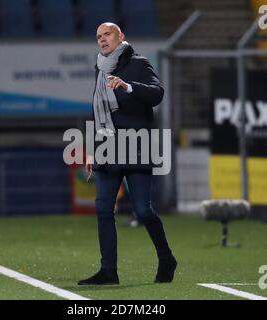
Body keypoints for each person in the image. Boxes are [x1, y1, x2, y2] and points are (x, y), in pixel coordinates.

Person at [78, 22, 177, 285]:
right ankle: (108, 271)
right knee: (103, 209)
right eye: (98, 36)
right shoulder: (100, 68)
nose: (102, 40)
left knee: (143, 211)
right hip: (108, 147)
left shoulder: (139, 63)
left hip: (136, 145)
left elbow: (157, 94)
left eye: (107, 34)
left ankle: (166, 258)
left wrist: (128, 86)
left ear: (120, 36)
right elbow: (97, 109)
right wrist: (91, 150)